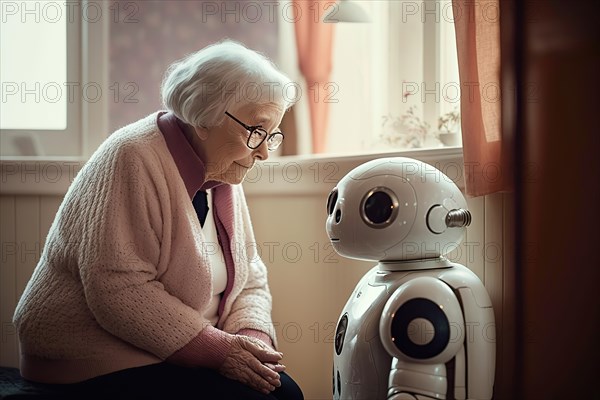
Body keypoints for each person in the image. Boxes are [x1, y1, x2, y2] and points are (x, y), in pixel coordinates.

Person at [12, 40, 303, 400]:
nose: (262, 152)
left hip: (172, 352)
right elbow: (119, 289)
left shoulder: (224, 170)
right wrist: (220, 351)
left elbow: (250, 278)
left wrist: (251, 342)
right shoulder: (131, 156)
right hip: (94, 357)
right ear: (204, 116)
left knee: (283, 392)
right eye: (256, 132)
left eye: (271, 135)